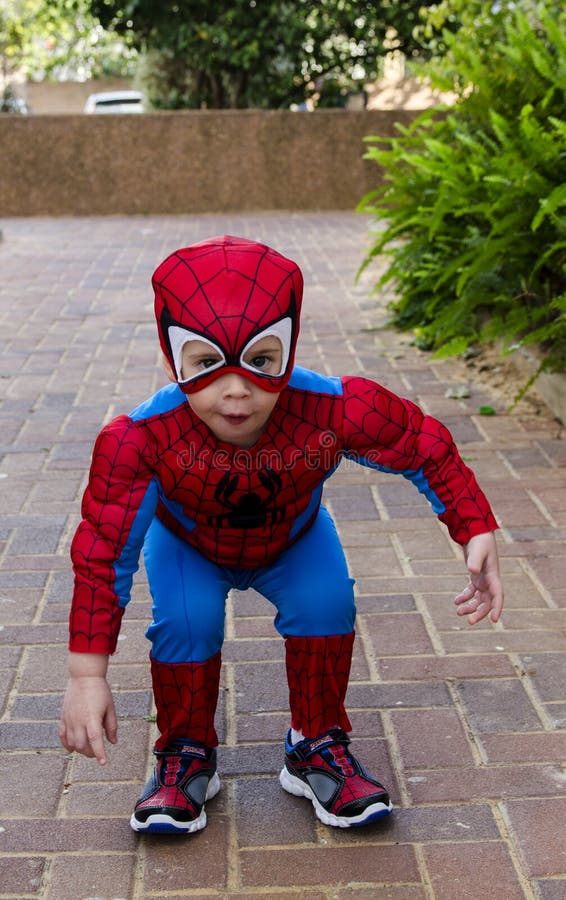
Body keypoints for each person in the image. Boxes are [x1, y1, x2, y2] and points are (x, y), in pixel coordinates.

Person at [59, 235, 504, 834]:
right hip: (189, 543)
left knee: (327, 602)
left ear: (290, 350)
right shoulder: (140, 440)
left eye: (262, 361)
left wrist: (472, 524)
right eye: (207, 363)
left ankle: (315, 742)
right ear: (173, 358)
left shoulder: (332, 408)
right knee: (188, 622)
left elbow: (421, 442)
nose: (237, 390)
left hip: (294, 537)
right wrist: (86, 676)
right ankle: (186, 753)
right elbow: (104, 551)